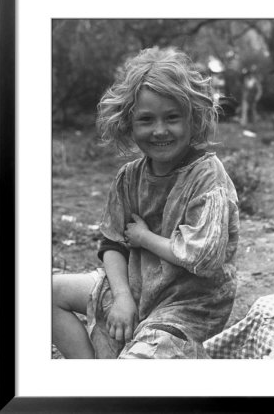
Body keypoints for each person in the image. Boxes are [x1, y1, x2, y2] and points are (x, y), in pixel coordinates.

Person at [52, 46, 240, 359]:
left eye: (172, 118)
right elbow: (112, 243)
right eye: (146, 119)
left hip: (187, 307)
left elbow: (202, 257)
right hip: (139, 287)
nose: (159, 130)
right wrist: (123, 297)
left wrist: (144, 238)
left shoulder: (208, 179)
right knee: (47, 293)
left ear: (193, 118)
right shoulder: (129, 177)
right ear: (128, 122)